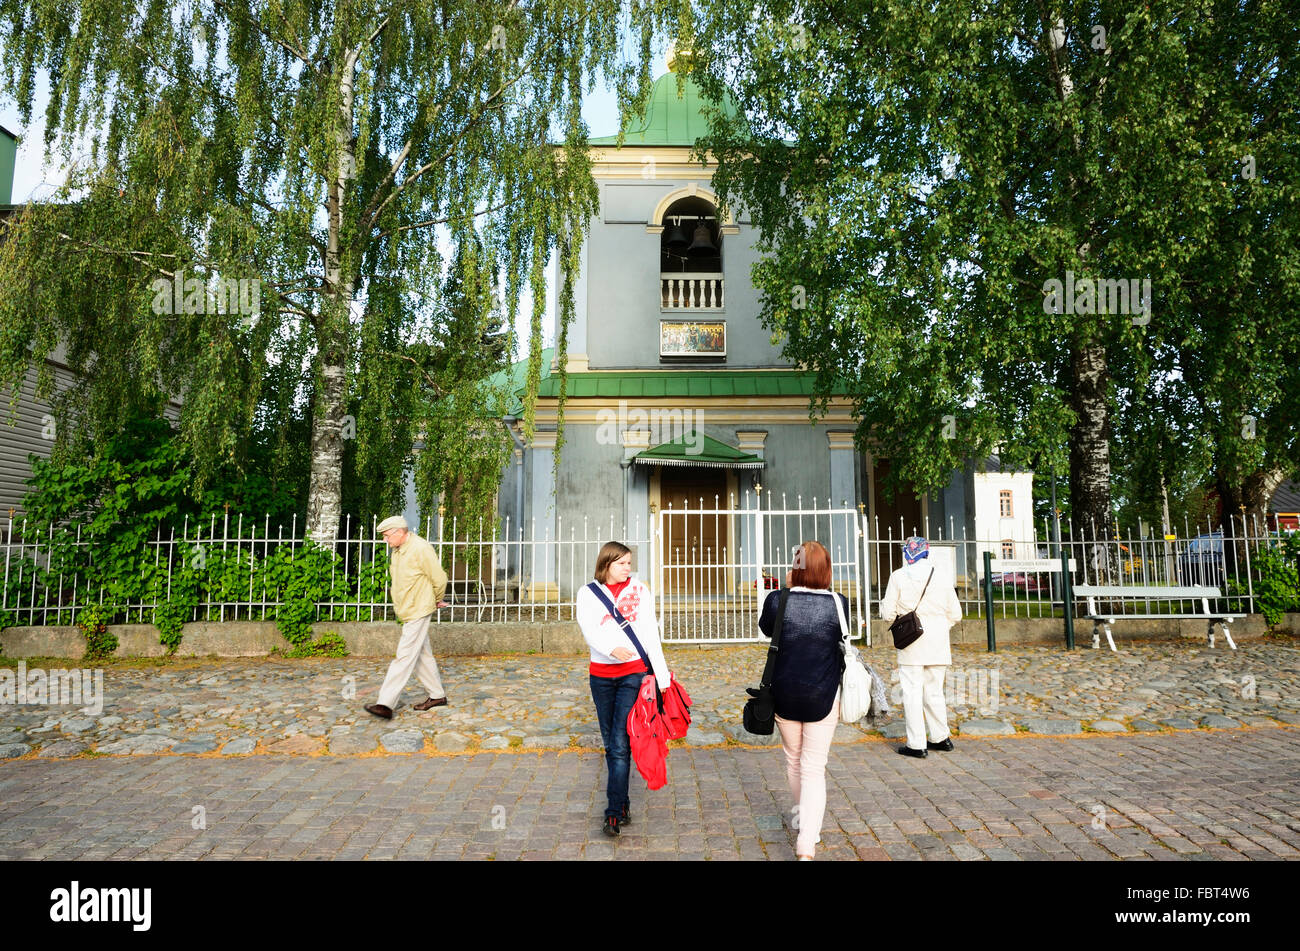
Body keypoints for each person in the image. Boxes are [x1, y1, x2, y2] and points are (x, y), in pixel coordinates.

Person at [757, 540, 847, 861]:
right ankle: (807, 840)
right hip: (822, 694)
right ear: (826, 570)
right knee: (813, 767)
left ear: (796, 569)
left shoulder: (777, 601)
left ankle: (805, 827)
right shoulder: (839, 603)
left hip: (784, 693)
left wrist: (787, 586)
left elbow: (767, 628)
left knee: (793, 762)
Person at [575, 542, 671, 837]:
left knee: (619, 742)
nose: (628, 568)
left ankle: (613, 813)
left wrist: (662, 675)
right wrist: (609, 648)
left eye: (629, 563)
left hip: (633, 672)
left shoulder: (640, 590)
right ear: (606, 565)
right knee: (611, 742)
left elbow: (650, 633)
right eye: (621, 563)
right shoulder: (587, 593)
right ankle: (624, 803)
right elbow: (588, 628)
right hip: (601, 676)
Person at [880, 536, 963, 758]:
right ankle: (940, 737)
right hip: (938, 643)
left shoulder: (898, 576)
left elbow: (887, 614)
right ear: (927, 553)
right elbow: (956, 614)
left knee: (912, 692)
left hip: (911, 643)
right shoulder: (942, 576)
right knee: (934, 692)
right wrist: (939, 626)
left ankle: (917, 744)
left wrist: (897, 613)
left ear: (908, 553)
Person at [364, 515, 449, 719]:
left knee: (404, 656)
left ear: (399, 532)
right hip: (409, 609)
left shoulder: (420, 548)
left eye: (386, 536)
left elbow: (439, 577)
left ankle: (385, 703)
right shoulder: (399, 550)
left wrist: (436, 599)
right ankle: (437, 695)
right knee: (421, 654)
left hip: (419, 608)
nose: (385, 540)